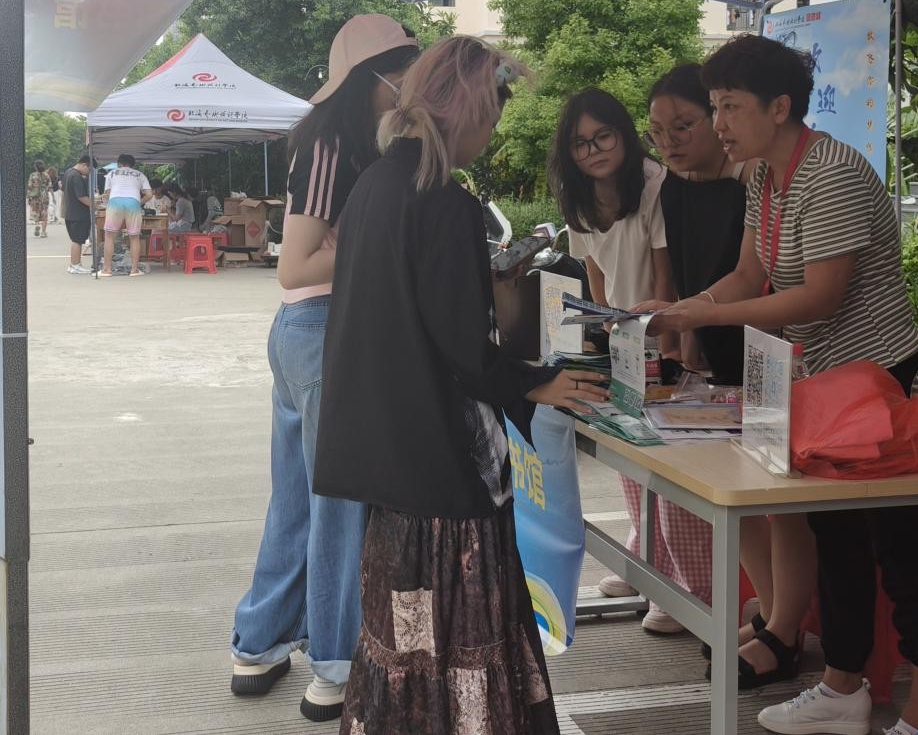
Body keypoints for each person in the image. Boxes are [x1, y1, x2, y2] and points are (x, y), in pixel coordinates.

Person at [647, 35, 918, 735]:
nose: (719, 123)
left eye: (730, 106)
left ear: (779, 107)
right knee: (835, 535)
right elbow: (749, 276)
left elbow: (819, 296)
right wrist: (682, 308)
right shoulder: (764, 176)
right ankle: (842, 689)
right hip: (821, 382)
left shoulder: (832, 173)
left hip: (878, 381)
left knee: (905, 546)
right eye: (715, 106)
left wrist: (702, 314)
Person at [314, 36, 608, 735]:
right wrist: (537, 384)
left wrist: (488, 289)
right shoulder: (442, 199)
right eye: (492, 118)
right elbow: (464, 352)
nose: (491, 135)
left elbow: (411, 317)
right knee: (466, 635)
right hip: (443, 470)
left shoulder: (375, 185)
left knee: (406, 640)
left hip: (390, 465)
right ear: (467, 109)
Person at [229, 14, 419, 723]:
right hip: (322, 331)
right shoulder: (333, 148)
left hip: (308, 336)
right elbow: (295, 266)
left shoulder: (348, 145)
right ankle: (337, 663)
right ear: (372, 78)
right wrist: (385, 238)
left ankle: (260, 642)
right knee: (338, 500)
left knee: (297, 498)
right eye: (401, 69)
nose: (408, 82)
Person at [547, 87, 689, 633]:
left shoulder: (655, 184)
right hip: (623, 341)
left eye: (603, 136)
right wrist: (607, 334)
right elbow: (595, 273)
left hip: (665, 334)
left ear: (624, 135)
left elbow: (665, 274)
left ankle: (681, 589)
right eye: (581, 143)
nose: (594, 151)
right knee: (629, 459)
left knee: (668, 470)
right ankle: (644, 559)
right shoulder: (577, 198)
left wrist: (666, 347)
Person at [648, 63, 750, 384]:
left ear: (718, 117)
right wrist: (690, 331)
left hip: (761, 341)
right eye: (657, 131)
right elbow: (685, 269)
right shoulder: (673, 184)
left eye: (682, 127)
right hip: (711, 350)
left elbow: (750, 276)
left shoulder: (753, 177)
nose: (668, 142)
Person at [100, 154, 152, 277]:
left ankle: (107, 269)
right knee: (134, 237)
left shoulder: (111, 173)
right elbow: (149, 195)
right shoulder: (140, 174)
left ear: (119, 164)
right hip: (133, 203)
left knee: (109, 236)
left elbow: (107, 194)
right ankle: (134, 270)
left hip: (115, 202)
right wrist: (138, 202)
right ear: (132, 165)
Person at [63, 155, 93, 274]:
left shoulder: (68, 173)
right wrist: (94, 206)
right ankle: (75, 265)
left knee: (75, 239)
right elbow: (82, 197)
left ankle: (74, 264)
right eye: (89, 169)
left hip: (70, 212)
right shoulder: (77, 176)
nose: (89, 172)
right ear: (84, 165)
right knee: (77, 240)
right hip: (78, 213)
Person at [27, 160, 50, 237]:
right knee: (44, 214)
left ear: (35, 167)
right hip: (44, 197)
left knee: (36, 212)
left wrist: (28, 197)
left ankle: (37, 225)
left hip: (35, 197)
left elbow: (29, 186)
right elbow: (50, 186)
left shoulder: (32, 175)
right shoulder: (46, 175)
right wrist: (53, 197)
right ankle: (43, 232)